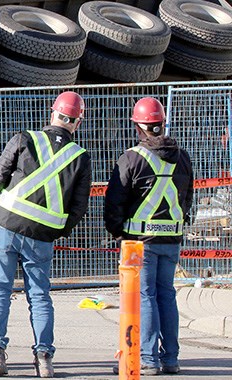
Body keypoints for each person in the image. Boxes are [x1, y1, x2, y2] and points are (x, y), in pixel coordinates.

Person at [0, 91, 92, 378]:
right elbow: (79, 207)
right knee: (40, 295)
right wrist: (58, 230)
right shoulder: (79, 157)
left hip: (5, 226)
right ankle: (44, 358)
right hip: (41, 236)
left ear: (52, 113)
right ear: (77, 123)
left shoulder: (24, 139)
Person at [104, 97, 192, 376]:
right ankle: (171, 359)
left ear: (138, 127)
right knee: (167, 295)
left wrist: (115, 229)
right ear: (162, 124)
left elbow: (115, 200)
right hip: (172, 239)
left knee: (145, 297)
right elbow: (188, 197)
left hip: (138, 242)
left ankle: (149, 359)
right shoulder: (183, 156)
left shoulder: (131, 157)